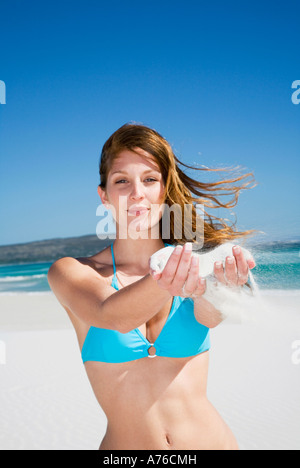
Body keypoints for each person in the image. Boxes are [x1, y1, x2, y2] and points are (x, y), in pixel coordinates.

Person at [47, 123, 257, 450]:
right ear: (103, 195)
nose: (136, 194)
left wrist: (224, 287)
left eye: (149, 179)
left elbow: (209, 317)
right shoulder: (72, 272)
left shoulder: (194, 264)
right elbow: (112, 315)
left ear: (164, 189)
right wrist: (167, 276)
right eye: (121, 181)